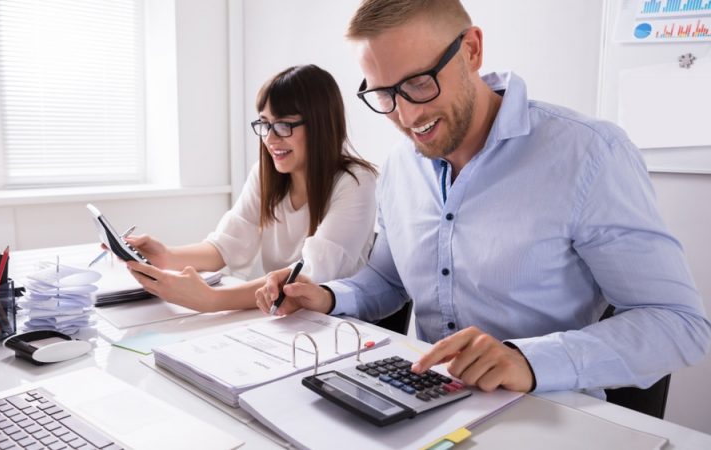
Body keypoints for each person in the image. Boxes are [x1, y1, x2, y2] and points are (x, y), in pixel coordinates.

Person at [255, 0, 711, 397]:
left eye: (417, 83)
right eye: (384, 94)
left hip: (550, 414)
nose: (406, 114)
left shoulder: (589, 154)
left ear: (471, 50)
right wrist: (327, 296)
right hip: (426, 402)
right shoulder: (399, 168)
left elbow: (679, 324)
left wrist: (529, 360)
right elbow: (388, 281)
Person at [126, 64, 378, 313]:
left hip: (339, 327)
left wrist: (212, 299)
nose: (269, 138)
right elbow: (227, 245)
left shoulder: (356, 181)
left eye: (283, 125)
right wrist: (166, 256)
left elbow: (312, 272)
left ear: (320, 124)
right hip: (283, 318)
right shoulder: (264, 173)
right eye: (265, 124)